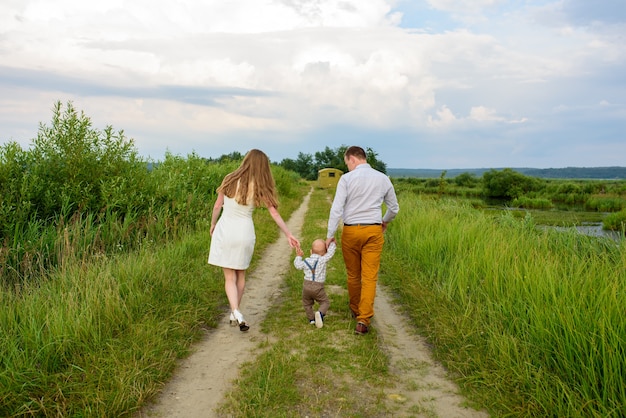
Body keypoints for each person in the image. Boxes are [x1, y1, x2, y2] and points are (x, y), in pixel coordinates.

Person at [208, 149, 300, 332]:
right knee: (240, 275)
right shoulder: (259, 186)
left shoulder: (229, 179)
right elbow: (274, 212)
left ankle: (235, 311)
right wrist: (288, 234)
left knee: (229, 277)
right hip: (245, 233)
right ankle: (235, 312)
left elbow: (218, 205)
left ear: (246, 161)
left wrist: (212, 225)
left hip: (225, 230)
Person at [326, 146, 399, 335]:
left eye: (346, 163)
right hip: (373, 231)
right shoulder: (383, 178)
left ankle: (355, 308)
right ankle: (363, 320)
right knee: (369, 276)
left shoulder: (346, 179)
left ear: (352, 159)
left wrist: (330, 235)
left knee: (353, 275)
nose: (347, 167)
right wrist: (385, 221)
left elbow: (336, 209)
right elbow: (394, 208)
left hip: (351, 231)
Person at [294, 238, 337, 328]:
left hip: (306, 286)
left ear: (311, 251)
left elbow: (297, 265)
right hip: (318, 287)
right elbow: (330, 254)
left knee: (307, 303)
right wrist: (332, 243)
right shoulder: (322, 260)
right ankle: (320, 314)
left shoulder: (306, 261)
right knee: (325, 302)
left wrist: (299, 256)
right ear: (324, 253)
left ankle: (312, 319)